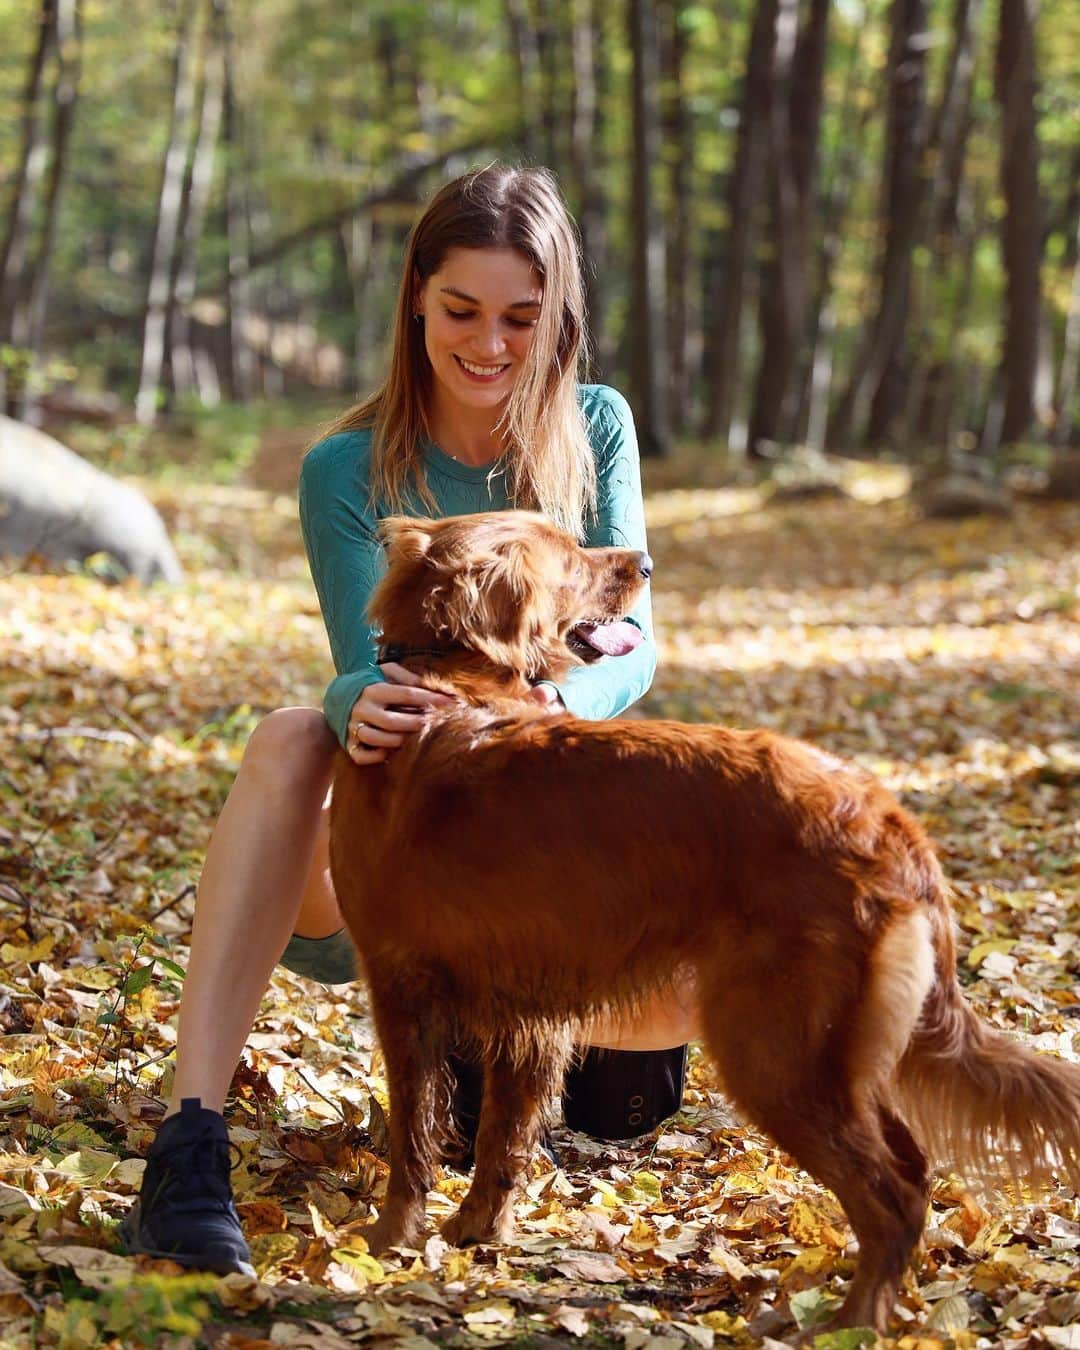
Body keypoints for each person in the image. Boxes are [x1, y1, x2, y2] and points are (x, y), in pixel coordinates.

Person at [121, 165, 699, 1277]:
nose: (490, 345)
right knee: (293, 732)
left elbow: (639, 644)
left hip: (553, 882)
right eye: (462, 312)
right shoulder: (349, 465)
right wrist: (351, 699)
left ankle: (498, 1060)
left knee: (635, 1086)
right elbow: (361, 669)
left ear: (559, 317)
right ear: (415, 301)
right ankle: (187, 1148)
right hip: (402, 870)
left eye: (522, 319)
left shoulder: (596, 426)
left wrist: (550, 701)